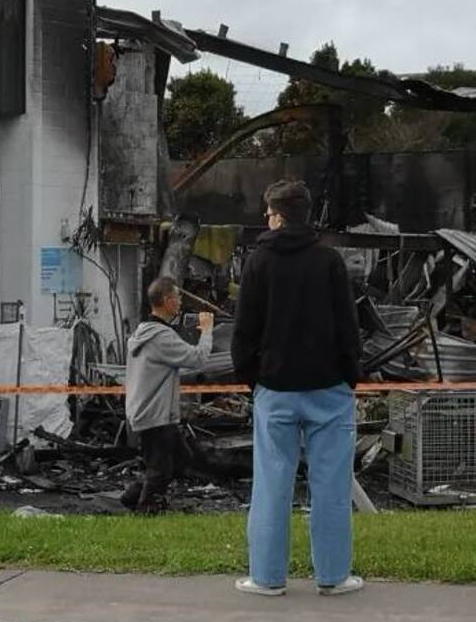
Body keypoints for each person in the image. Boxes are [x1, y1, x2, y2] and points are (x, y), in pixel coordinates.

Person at [230, 180, 364, 597]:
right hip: (329, 388)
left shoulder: (258, 262)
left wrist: (255, 379)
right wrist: (349, 376)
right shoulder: (329, 262)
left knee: (271, 483)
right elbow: (349, 328)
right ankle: (334, 576)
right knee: (331, 486)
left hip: (275, 387)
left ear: (276, 215)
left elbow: (243, 334)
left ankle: (268, 578)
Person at [121, 277, 215, 514]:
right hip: (155, 415)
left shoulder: (146, 333)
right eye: (178, 297)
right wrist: (207, 331)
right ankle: (147, 508)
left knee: (181, 458)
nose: (181, 302)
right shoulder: (161, 337)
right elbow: (198, 359)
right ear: (167, 300)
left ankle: (134, 494)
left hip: (152, 412)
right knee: (160, 468)